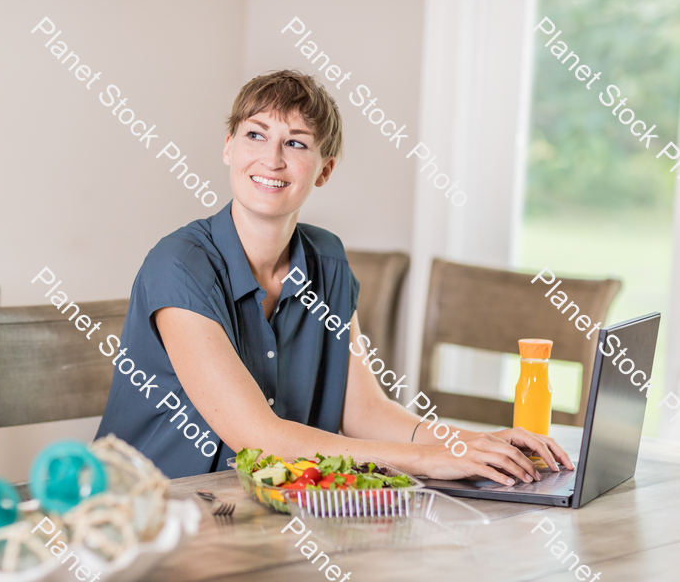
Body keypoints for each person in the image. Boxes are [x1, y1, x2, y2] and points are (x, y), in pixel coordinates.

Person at [95, 69, 574, 482]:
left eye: (296, 143)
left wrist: (473, 442)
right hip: (148, 515)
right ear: (228, 148)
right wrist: (429, 459)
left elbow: (364, 411)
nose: (272, 159)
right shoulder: (179, 265)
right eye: (255, 135)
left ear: (324, 169)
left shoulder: (327, 261)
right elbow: (258, 438)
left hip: (262, 511)